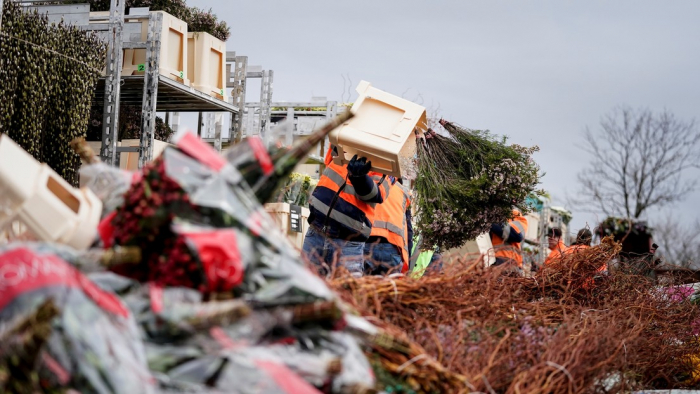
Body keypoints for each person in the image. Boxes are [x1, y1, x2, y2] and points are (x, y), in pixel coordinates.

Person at [302, 148, 391, 276]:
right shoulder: (346, 136)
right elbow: (330, 161)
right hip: (316, 231)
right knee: (301, 289)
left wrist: (360, 178)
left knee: (344, 294)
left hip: (348, 245)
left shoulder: (388, 156)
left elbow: (376, 195)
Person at [363, 178, 413, 275]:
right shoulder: (403, 192)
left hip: (367, 244)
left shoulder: (366, 183)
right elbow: (409, 233)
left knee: (365, 288)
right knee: (389, 288)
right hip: (393, 248)